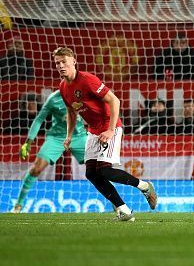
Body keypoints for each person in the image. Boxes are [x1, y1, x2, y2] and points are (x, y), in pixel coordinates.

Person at [54, 47, 157, 221]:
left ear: (73, 61)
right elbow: (71, 112)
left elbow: (114, 100)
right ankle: (124, 211)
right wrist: (68, 136)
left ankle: (145, 186)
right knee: (91, 174)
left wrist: (110, 130)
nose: (61, 65)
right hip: (93, 130)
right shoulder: (63, 87)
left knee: (105, 171)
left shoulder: (87, 80)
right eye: (58, 63)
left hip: (110, 126)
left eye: (64, 61)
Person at [11, 91, 87, 213]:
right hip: (57, 137)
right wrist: (28, 142)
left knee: (99, 168)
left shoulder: (84, 94)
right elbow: (39, 119)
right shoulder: (53, 99)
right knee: (36, 169)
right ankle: (18, 206)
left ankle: (117, 205)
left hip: (79, 137)